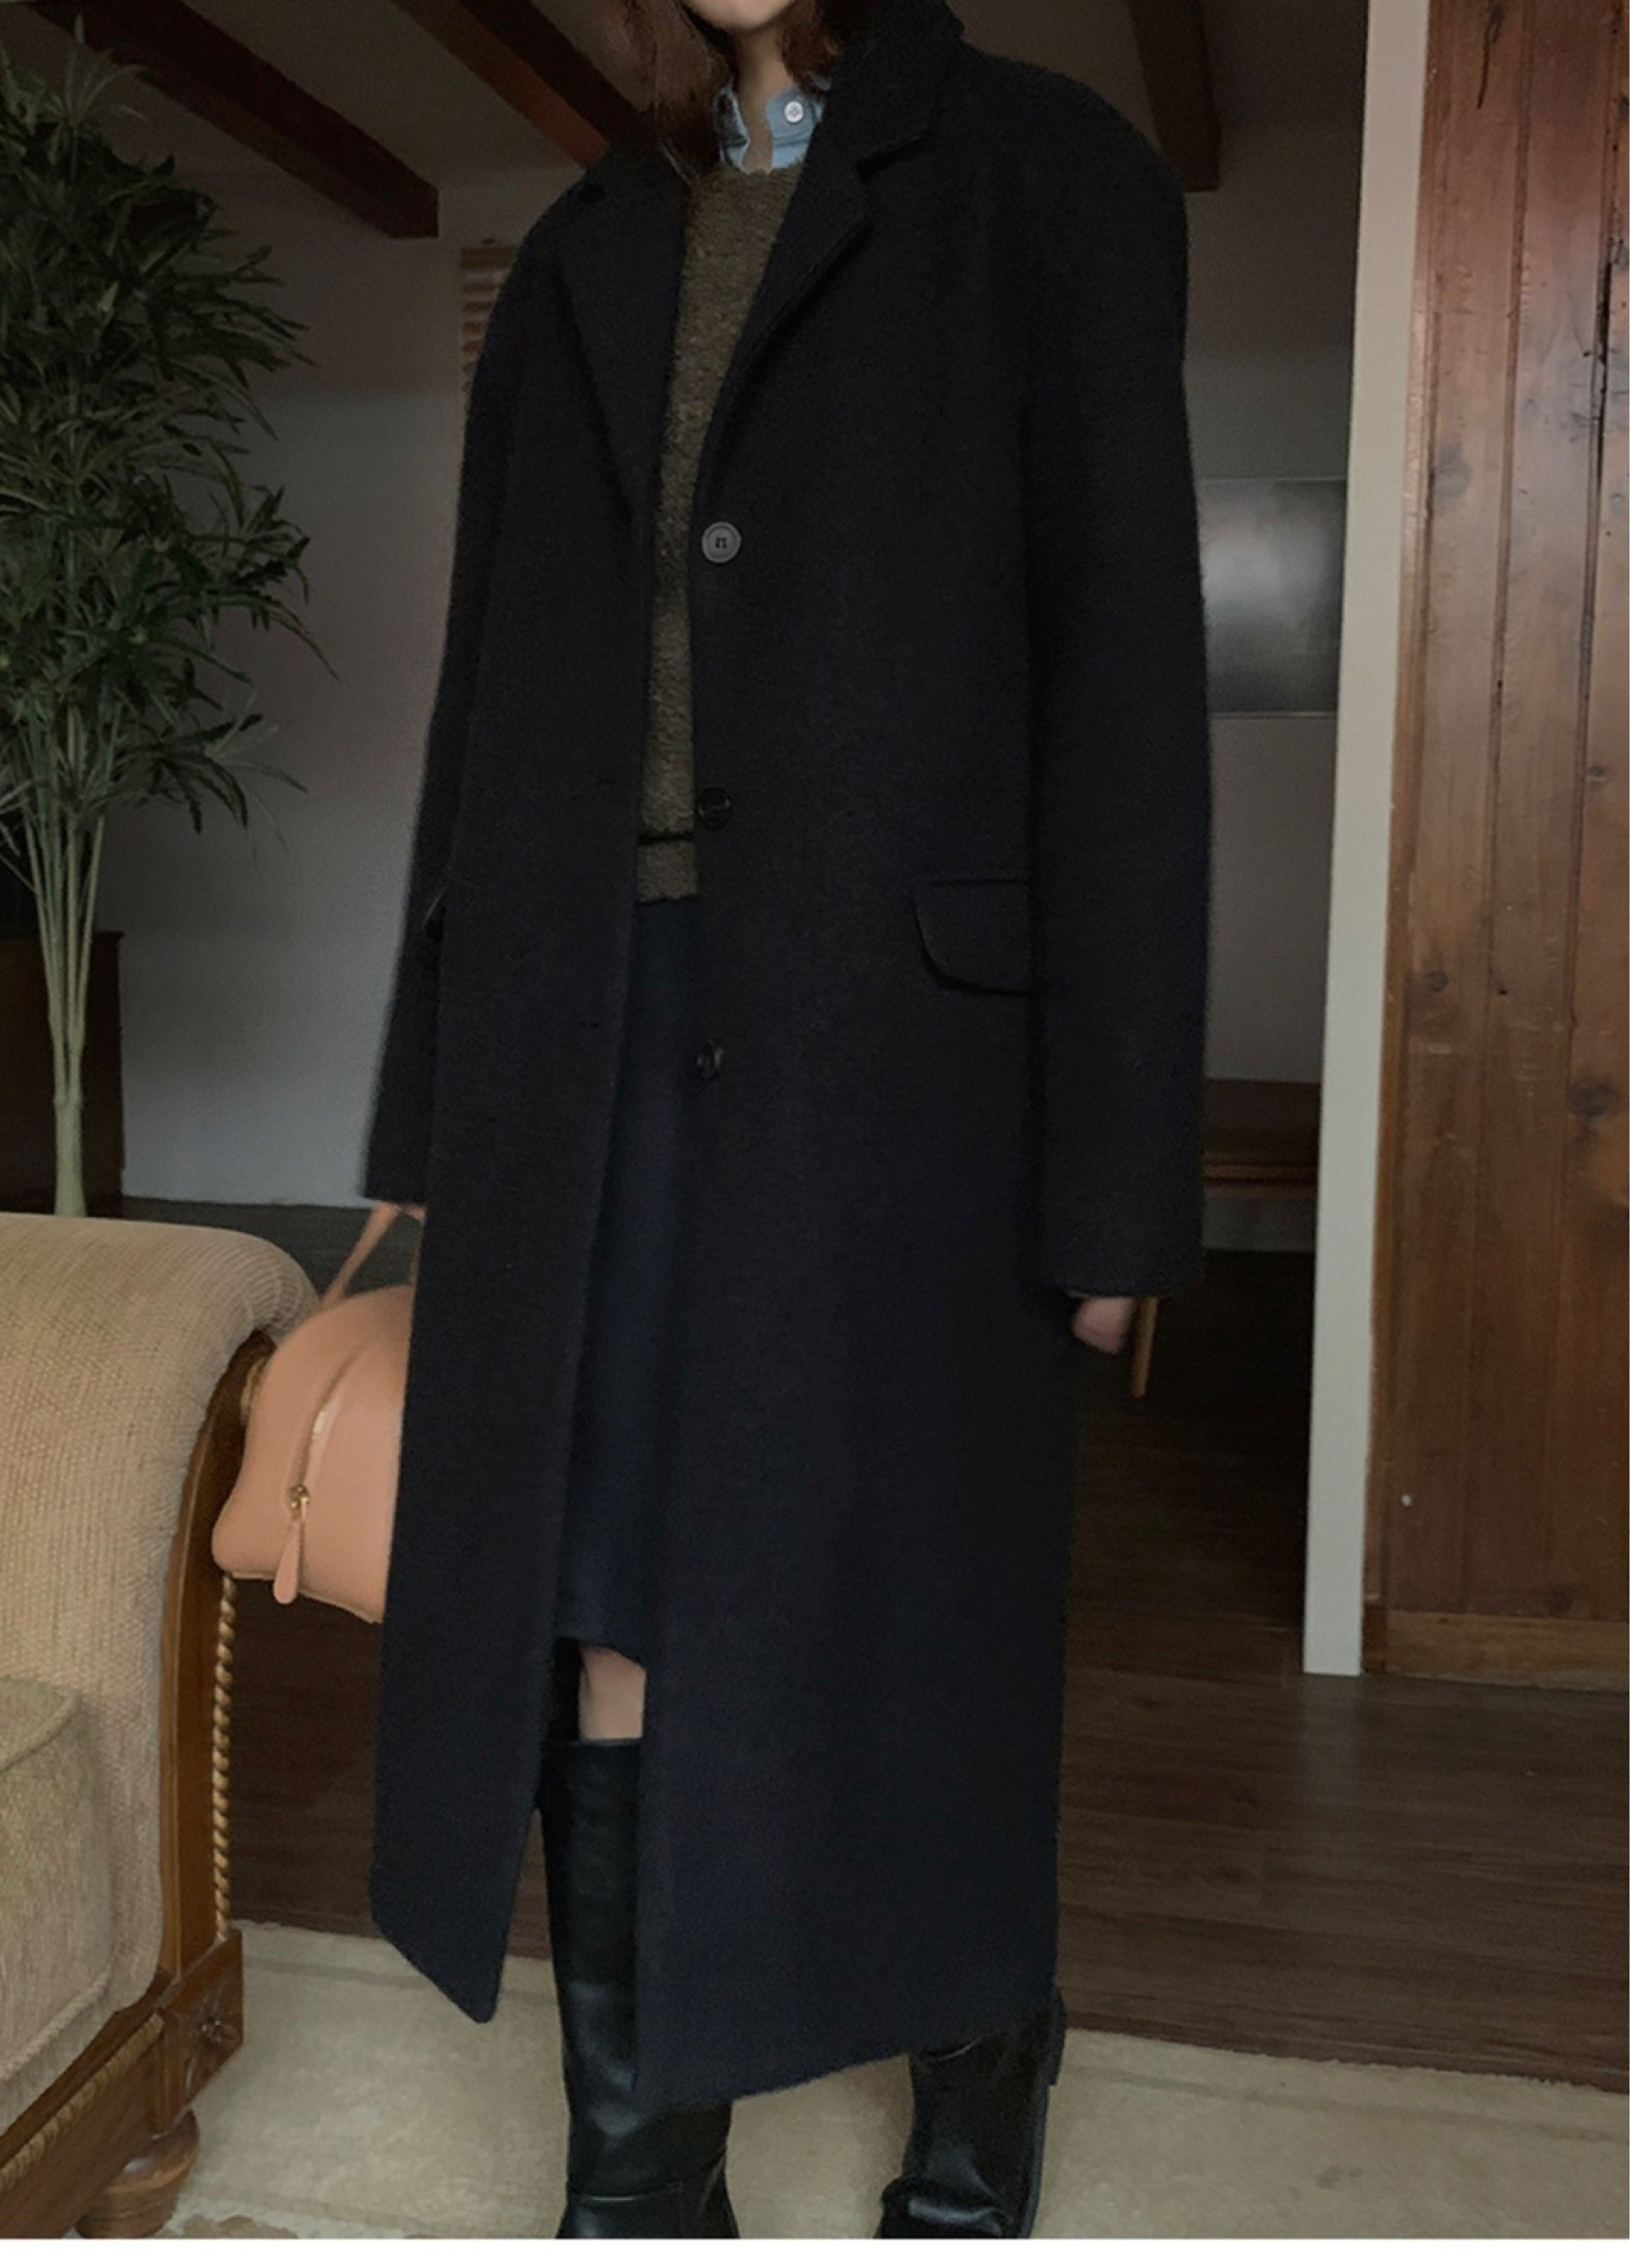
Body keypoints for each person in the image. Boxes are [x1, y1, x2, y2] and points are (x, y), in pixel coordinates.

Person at [363, 0, 1210, 2238]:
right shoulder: (582, 242)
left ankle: (983, 2044)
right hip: (586, 1027)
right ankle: (643, 2164)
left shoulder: (1049, 182)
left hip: (905, 1058)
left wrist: (1120, 1176)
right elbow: (481, 694)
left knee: (913, 1597)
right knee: (608, 1587)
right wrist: (432, 1114)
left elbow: (1123, 691)